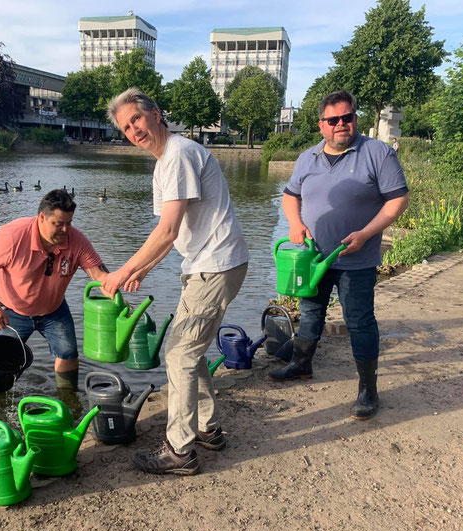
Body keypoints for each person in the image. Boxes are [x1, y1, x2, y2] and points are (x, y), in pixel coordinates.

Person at [103, 87, 249, 476]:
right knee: (188, 349)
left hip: (214, 265)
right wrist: (142, 269)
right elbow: (174, 230)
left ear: (155, 114)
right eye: (125, 126)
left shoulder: (179, 153)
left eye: (136, 119)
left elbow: (167, 231)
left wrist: (120, 272)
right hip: (211, 263)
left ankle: (179, 451)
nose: (133, 129)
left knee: (180, 354)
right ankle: (207, 427)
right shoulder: (165, 162)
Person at [267, 90, 409, 421]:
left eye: (348, 117)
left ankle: (367, 390)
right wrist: (295, 222)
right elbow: (290, 196)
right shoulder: (307, 158)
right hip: (313, 257)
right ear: (322, 126)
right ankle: (302, 365)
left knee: (359, 321)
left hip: (356, 258)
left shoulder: (378, 153)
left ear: (355, 119)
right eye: (334, 120)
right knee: (311, 310)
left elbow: (397, 200)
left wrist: (366, 233)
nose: (341, 124)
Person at [0, 189, 108, 391]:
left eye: (68, 223)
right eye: (58, 224)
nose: (65, 230)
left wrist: (119, 300)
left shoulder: (76, 240)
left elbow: (100, 277)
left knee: (68, 353)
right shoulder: (13, 236)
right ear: (42, 217)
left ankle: (68, 397)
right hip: (10, 311)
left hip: (54, 310)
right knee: (0, 367)